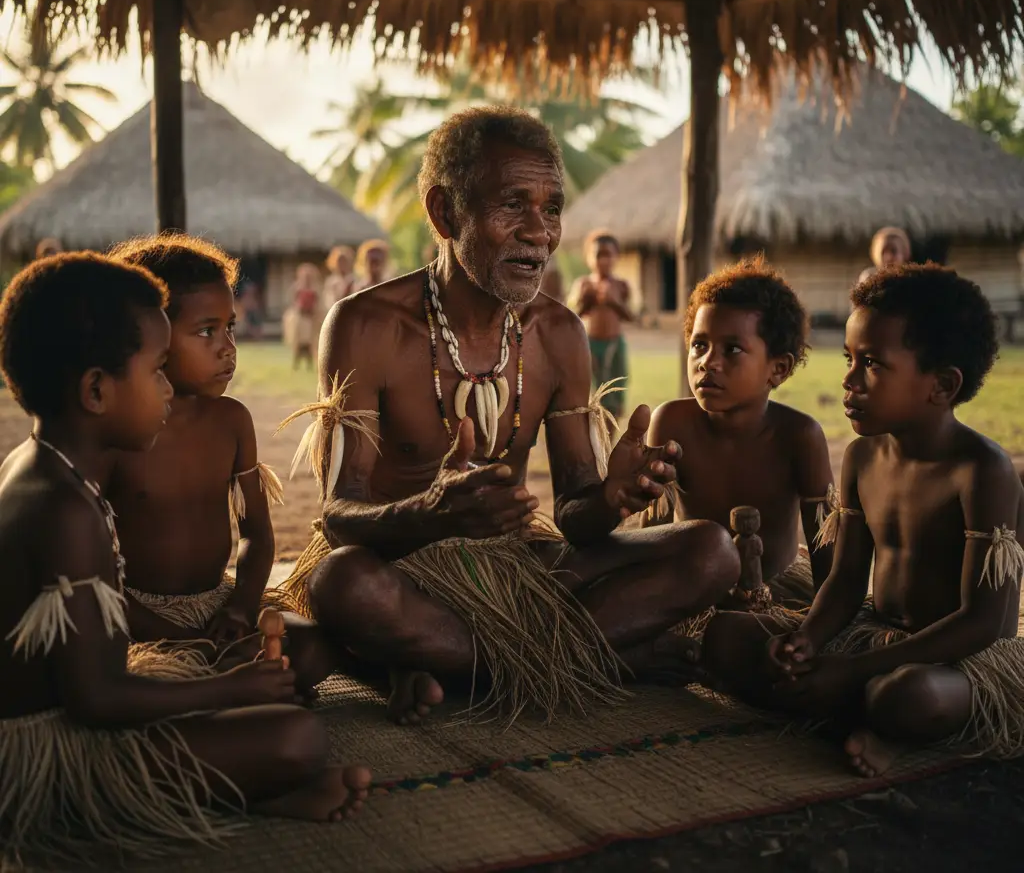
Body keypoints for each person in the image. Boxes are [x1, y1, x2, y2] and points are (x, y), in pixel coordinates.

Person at [276, 105, 739, 726]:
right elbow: (340, 515)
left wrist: (613, 497)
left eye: (551, 208)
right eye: (512, 204)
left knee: (712, 551)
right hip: (401, 566)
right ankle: (590, 657)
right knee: (340, 584)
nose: (539, 232)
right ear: (446, 213)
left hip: (519, 566)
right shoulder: (366, 325)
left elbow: (576, 512)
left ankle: (445, 666)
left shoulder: (558, 334)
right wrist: (433, 512)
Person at [0, 253, 371, 863]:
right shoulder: (64, 509)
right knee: (297, 737)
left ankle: (246, 786)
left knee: (286, 707)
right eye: (155, 371)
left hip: (78, 701)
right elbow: (97, 700)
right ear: (97, 390)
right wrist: (227, 690)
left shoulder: (51, 470)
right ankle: (216, 796)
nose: (168, 386)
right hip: (47, 748)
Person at [702, 263, 1024, 778]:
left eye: (871, 363)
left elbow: (984, 622)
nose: (848, 380)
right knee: (726, 637)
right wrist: (807, 638)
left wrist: (853, 668)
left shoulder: (983, 472)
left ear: (941, 384)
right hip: (873, 637)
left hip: (959, 659)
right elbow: (846, 580)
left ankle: (878, 718)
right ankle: (855, 706)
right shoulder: (862, 457)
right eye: (850, 359)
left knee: (909, 695)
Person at [105, 235, 336, 693]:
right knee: (136, 671)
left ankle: (220, 688)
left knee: (312, 647)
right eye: (206, 331)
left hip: (215, 608)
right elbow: (93, 577)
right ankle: (218, 692)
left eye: (230, 327)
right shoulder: (117, 435)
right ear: (149, 335)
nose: (228, 347)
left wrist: (239, 608)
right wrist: (177, 637)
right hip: (135, 618)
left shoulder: (231, 421)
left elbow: (256, 536)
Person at [642, 257, 834, 613]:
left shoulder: (799, 436)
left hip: (777, 595)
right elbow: (652, 537)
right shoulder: (671, 423)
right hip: (691, 589)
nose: (708, 362)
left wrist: (820, 629)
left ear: (778, 369)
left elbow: (826, 556)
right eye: (699, 345)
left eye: (732, 349)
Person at [568, 231, 634, 420]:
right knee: (588, 397)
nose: (603, 261)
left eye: (608, 255)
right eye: (598, 255)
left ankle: (608, 442)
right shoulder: (583, 284)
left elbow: (632, 316)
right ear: (588, 258)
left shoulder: (621, 286)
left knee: (614, 396)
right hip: (590, 345)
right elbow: (573, 316)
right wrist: (585, 301)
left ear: (616, 257)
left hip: (614, 345)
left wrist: (614, 302)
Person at [283, 262, 324, 371]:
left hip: (311, 319)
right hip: (300, 318)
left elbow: (318, 302)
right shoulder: (297, 287)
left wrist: (315, 311)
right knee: (298, 344)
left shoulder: (315, 289)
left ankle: (310, 365)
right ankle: (296, 364)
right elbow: (292, 300)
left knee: (310, 344)